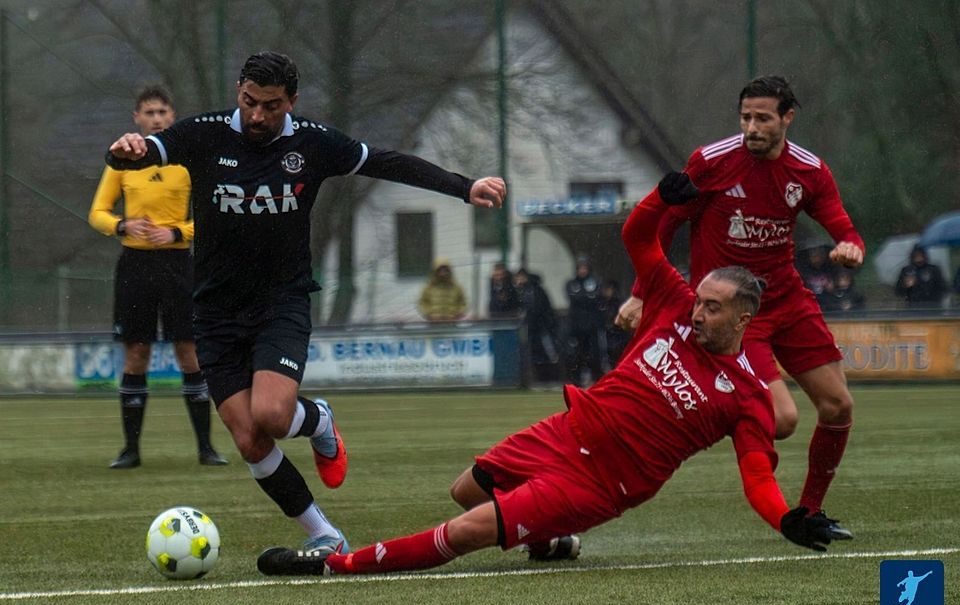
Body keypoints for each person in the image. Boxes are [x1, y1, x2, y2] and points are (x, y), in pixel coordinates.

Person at [256, 175, 852, 578]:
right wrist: (662, 198)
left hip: (601, 481)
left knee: (466, 530)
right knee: (465, 487)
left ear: (745, 318)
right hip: (568, 431)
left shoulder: (748, 392)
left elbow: (756, 475)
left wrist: (786, 517)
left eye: (714, 308)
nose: (698, 311)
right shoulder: (672, 302)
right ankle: (548, 539)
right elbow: (638, 236)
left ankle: (337, 565)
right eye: (699, 301)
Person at [105, 51, 506, 553]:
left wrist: (464, 187)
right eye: (249, 102)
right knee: (250, 439)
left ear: (291, 102)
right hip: (213, 311)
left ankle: (317, 418)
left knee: (273, 416)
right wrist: (124, 150)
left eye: (270, 106)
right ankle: (326, 535)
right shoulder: (205, 133)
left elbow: (385, 161)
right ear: (238, 91)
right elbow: (141, 152)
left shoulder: (313, 144)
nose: (257, 115)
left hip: (280, 302)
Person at [617, 76, 864, 523]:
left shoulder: (809, 171)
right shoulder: (712, 162)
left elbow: (842, 226)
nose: (752, 127)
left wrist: (850, 246)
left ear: (787, 118)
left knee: (838, 406)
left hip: (786, 299)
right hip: (733, 314)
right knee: (783, 421)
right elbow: (664, 224)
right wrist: (640, 294)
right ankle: (720, 418)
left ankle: (809, 510)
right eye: (746, 117)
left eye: (763, 118)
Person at [88, 86, 228, 469]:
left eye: (162, 112)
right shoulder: (121, 162)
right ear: (137, 118)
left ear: (172, 116)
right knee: (137, 353)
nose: (156, 118)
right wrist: (121, 225)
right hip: (136, 267)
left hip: (180, 265)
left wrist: (177, 232)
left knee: (189, 352)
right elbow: (97, 212)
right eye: (148, 112)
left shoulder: (188, 162)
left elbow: (213, 217)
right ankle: (130, 450)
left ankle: (206, 448)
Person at [564, 256, 605, 386]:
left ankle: (596, 381)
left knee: (594, 355)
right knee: (576, 355)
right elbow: (574, 298)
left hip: (591, 327)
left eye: (584, 267)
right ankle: (576, 382)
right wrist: (587, 297)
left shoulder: (595, 282)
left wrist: (585, 297)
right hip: (576, 327)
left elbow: (596, 297)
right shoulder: (571, 283)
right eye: (580, 268)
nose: (582, 270)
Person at [514, 268, 560, 383]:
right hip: (534, 328)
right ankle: (542, 378)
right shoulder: (524, 291)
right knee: (537, 354)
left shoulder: (533, 291)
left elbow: (538, 310)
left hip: (541, 328)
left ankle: (550, 378)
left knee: (548, 353)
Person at [894, 245, 946, 310]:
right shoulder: (906, 270)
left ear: (924, 256)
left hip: (932, 308)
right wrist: (905, 285)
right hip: (912, 309)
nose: (918, 258)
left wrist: (933, 297)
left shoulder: (933, 269)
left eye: (920, 255)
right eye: (916, 255)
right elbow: (898, 292)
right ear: (912, 256)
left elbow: (943, 289)